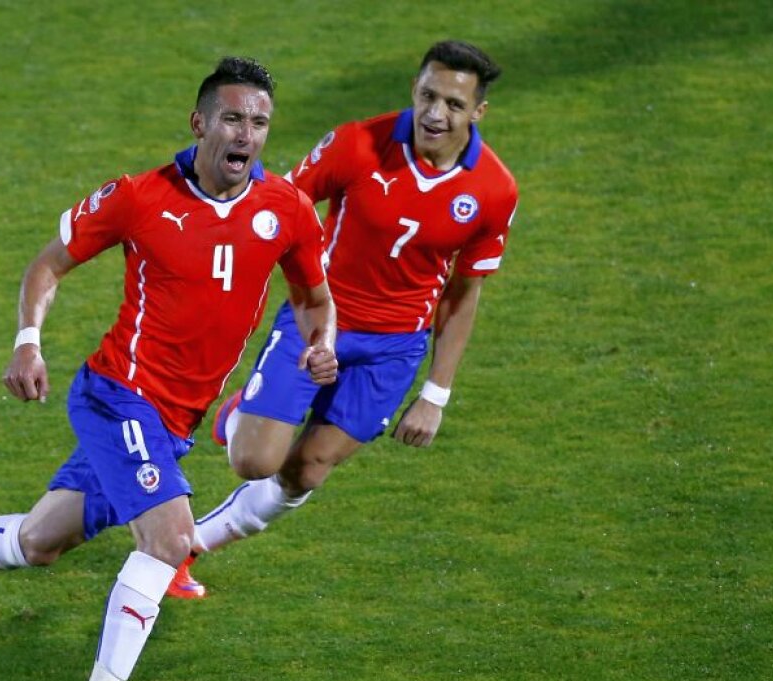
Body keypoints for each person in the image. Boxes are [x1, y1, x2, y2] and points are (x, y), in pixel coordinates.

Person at [0, 56, 337, 681]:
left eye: (261, 122)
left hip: (173, 421)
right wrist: (28, 342)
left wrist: (321, 343)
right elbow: (47, 266)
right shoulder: (140, 198)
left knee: (37, 542)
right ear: (201, 122)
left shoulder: (288, 210)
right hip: (119, 396)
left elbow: (312, 293)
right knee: (172, 537)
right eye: (234, 118)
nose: (248, 134)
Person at [169, 41, 516, 598]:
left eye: (453, 104)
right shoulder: (358, 144)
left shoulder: (494, 190)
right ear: (414, 89)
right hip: (320, 323)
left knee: (305, 471)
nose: (435, 113)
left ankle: (186, 549)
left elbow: (463, 293)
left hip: (395, 347)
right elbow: (282, 204)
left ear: (477, 113)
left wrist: (435, 394)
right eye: (428, 96)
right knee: (255, 462)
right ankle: (242, 413)